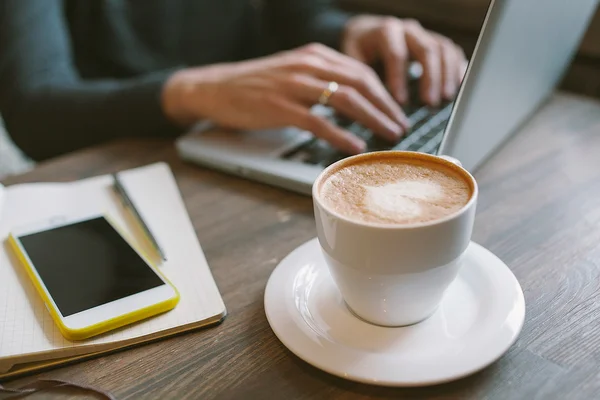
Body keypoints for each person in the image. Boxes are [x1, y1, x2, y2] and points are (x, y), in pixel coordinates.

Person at [0, 0, 466, 161]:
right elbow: (35, 109)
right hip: (122, 156)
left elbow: (299, 18)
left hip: (258, 136)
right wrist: (201, 90)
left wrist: (353, 30)